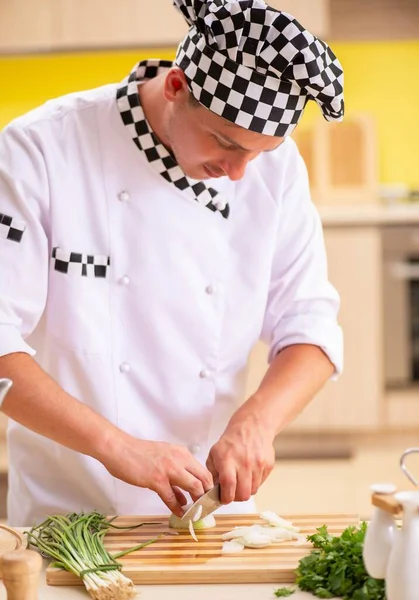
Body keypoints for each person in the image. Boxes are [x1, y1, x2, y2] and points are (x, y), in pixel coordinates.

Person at [0, 0, 344, 526]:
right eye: (225, 143)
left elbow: (311, 325)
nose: (237, 174)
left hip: (212, 514)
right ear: (177, 86)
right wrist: (117, 446)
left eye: (259, 153)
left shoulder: (275, 170)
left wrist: (257, 421)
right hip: (69, 514)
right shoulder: (40, 151)